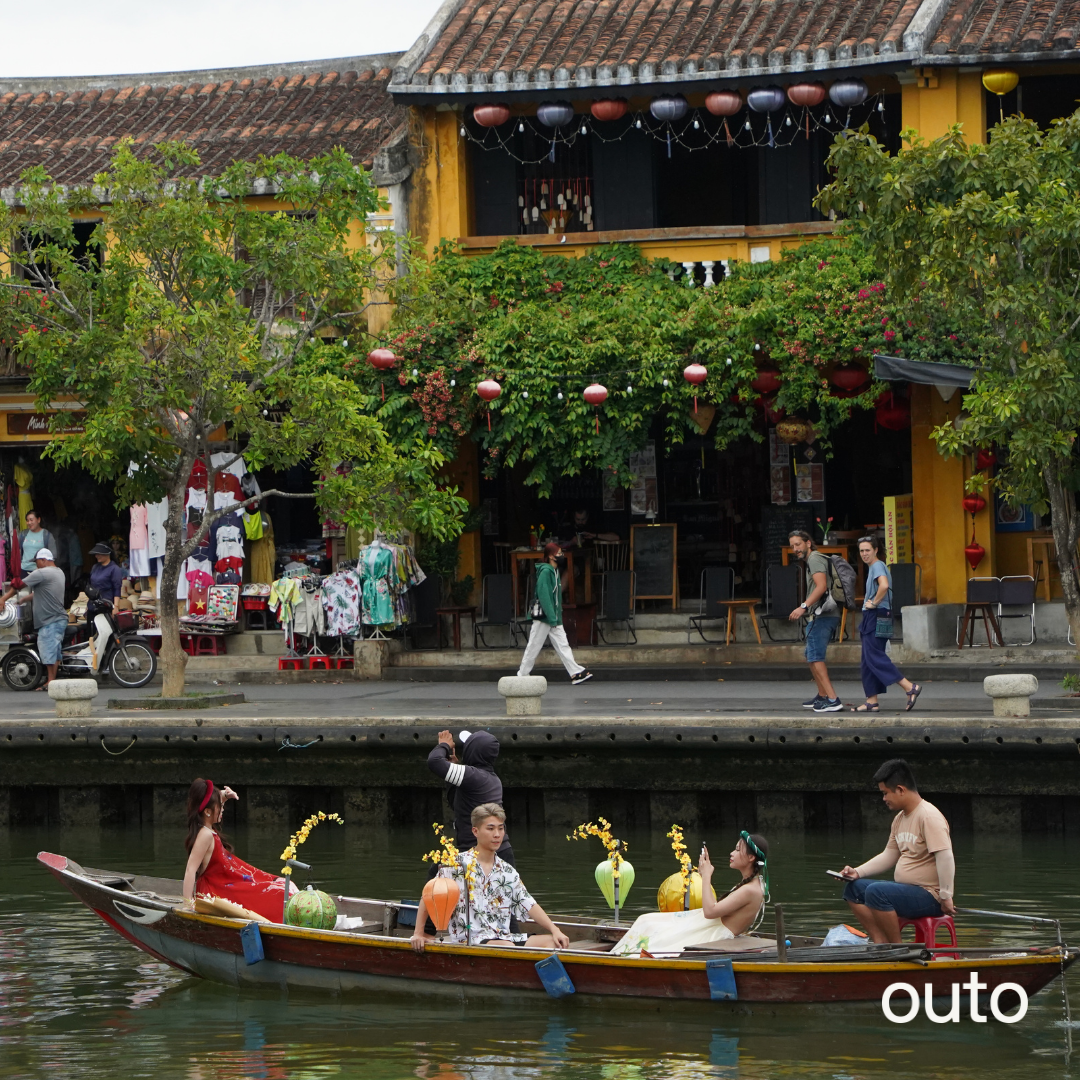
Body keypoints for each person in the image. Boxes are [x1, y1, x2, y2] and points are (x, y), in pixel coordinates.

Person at [410, 803, 571, 951]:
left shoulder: (507, 871)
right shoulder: (456, 865)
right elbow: (428, 895)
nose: (497, 834)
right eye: (491, 828)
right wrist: (418, 933)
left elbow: (529, 903)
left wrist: (555, 930)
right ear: (475, 831)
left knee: (554, 943)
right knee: (504, 946)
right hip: (470, 939)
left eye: (501, 829)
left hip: (505, 937)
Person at [838, 759, 955, 943]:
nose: (883, 799)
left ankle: (896, 948)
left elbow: (945, 856)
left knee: (877, 892)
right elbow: (889, 855)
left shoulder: (929, 816)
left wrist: (946, 896)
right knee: (853, 888)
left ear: (900, 789)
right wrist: (857, 872)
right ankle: (880, 940)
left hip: (930, 896)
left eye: (885, 793)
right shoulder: (900, 819)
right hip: (907, 891)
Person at [611, 832, 770, 956]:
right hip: (710, 925)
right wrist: (704, 876)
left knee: (651, 927)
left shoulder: (751, 889)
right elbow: (715, 909)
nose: (731, 853)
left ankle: (621, 956)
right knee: (647, 920)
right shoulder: (753, 883)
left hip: (712, 934)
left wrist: (707, 876)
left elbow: (710, 912)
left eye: (737, 850)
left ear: (750, 857)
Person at [182, 778, 293, 921]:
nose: (223, 809)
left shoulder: (207, 828)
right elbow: (190, 869)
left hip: (223, 885)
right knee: (276, 892)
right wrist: (187, 905)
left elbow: (210, 801)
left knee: (279, 885)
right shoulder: (205, 835)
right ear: (208, 811)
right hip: (215, 892)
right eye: (220, 806)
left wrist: (224, 795)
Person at [851, 536, 922, 712]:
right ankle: (871, 701)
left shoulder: (877, 566)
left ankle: (909, 687)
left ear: (876, 550)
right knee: (868, 659)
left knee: (874, 656)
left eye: (868, 550)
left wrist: (873, 603)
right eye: (861, 551)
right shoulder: (876, 566)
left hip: (875, 615)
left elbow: (883, 586)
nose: (864, 554)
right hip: (879, 615)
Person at [427, 729, 514, 864]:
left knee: (436, 877)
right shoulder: (490, 778)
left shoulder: (474, 776)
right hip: (489, 851)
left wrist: (444, 745)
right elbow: (456, 804)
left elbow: (434, 761)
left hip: (485, 854)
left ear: (473, 751)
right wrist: (454, 767)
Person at [517, 542, 592, 684]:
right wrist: (553, 617)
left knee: (561, 643)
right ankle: (522, 674)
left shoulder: (553, 570)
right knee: (535, 644)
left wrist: (555, 615)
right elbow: (544, 596)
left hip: (551, 616)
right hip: (546, 616)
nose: (561, 555)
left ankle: (575, 672)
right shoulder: (546, 572)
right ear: (551, 556)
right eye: (558, 553)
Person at [788, 529, 842, 713]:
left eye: (798, 544)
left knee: (816, 657)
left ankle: (833, 699)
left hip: (822, 615)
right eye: (792, 546)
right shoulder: (814, 559)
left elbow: (821, 587)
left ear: (808, 543)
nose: (795, 549)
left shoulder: (814, 559)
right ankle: (822, 695)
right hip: (821, 614)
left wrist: (803, 606)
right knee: (811, 656)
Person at [0, 548, 69, 687]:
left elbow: (18, 584)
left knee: (48, 651)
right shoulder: (58, 572)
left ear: (44, 560)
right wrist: (25, 599)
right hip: (58, 618)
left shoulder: (42, 573)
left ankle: (50, 681)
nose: (36, 566)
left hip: (50, 620)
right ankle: (52, 681)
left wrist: (3, 599)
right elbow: (45, 592)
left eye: (37, 562)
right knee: (54, 652)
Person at [19, 510, 57, 576]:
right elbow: (18, 551)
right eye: (27, 520)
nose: (29, 523)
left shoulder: (46, 535)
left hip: (41, 571)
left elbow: (53, 555)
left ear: (38, 520)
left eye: (31, 520)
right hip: (24, 570)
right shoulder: (23, 534)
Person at [88, 541, 125, 607]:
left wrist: (116, 606)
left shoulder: (114, 569)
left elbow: (117, 589)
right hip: (93, 604)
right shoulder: (95, 567)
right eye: (96, 554)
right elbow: (92, 587)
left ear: (107, 554)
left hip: (106, 603)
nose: (96, 556)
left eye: (99, 554)